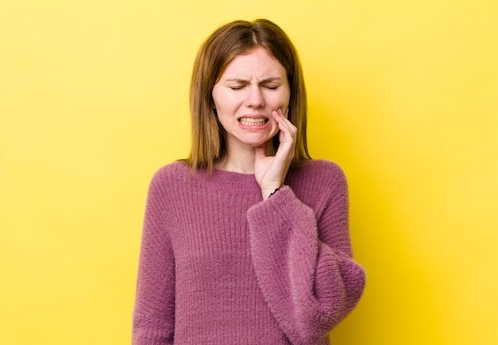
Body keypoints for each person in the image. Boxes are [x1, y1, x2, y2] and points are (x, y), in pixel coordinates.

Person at [132, 18, 366, 345]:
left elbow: (317, 315)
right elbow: (152, 326)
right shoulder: (171, 187)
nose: (256, 100)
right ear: (211, 98)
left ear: (290, 93)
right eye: (238, 86)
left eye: (270, 85)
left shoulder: (324, 182)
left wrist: (275, 194)